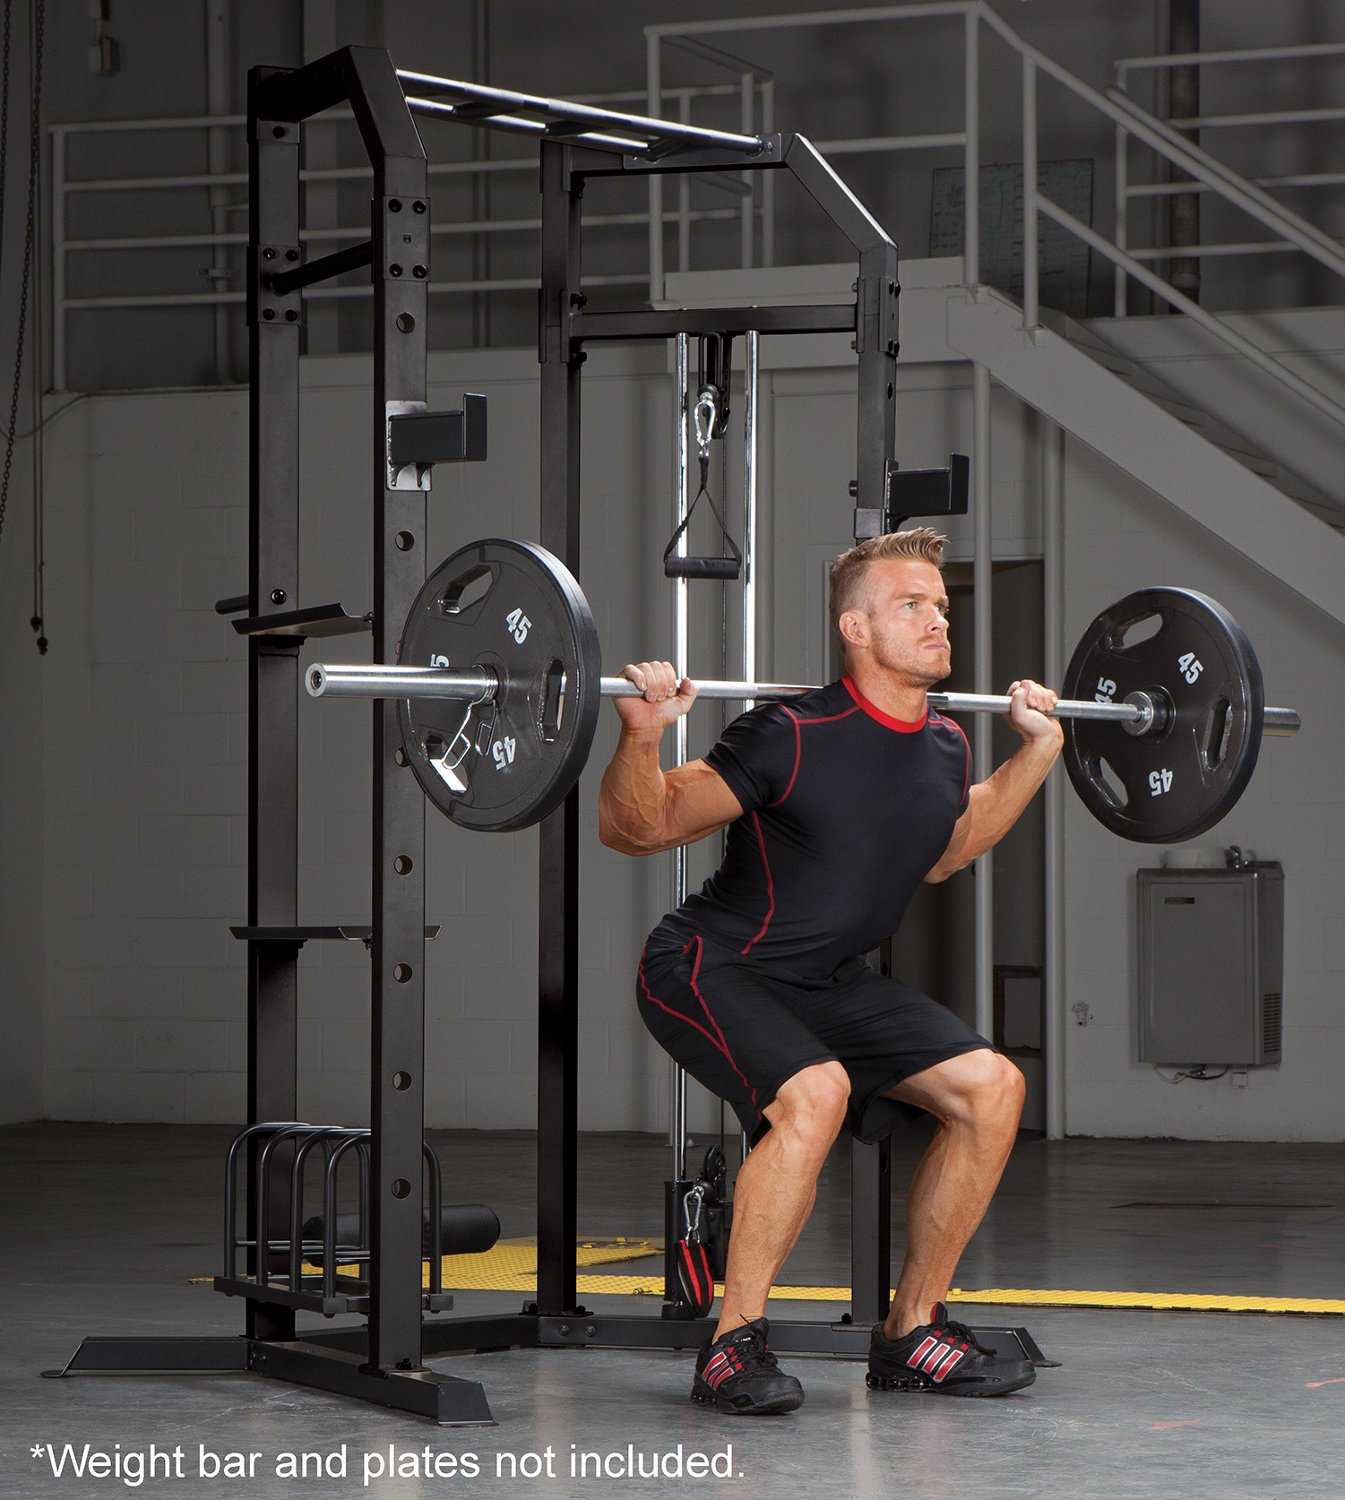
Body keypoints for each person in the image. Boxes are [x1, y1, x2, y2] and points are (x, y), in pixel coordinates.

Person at [598, 528, 1063, 1415]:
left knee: (992, 1087)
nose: (937, 621)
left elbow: (945, 848)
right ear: (854, 627)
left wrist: (1034, 752)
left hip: (830, 978)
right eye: (910, 605)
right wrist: (641, 737)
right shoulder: (787, 731)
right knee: (814, 1094)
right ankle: (732, 1347)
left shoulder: (944, 747)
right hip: (712, 963)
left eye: (941, 606)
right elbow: (637, 828)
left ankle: (911, 1333)